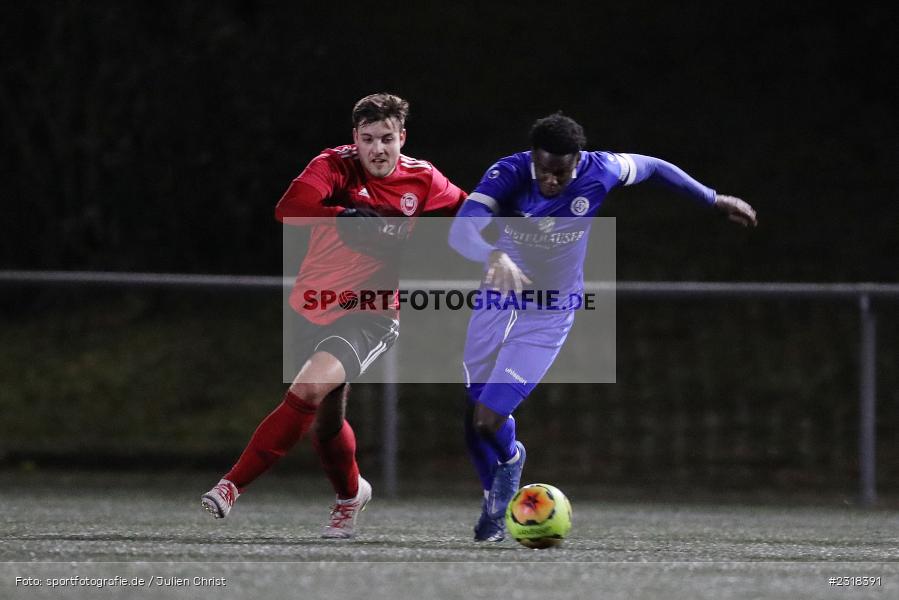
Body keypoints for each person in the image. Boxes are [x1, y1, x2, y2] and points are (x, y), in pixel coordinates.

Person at [448, 113, 757, 542]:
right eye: (544, 171)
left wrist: (710, 198)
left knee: (488, 418)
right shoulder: (509, 172)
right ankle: (495, 493)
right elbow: (460, 231)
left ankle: (512, 462)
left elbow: (653, 167)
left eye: (561, 173)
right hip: (498, 299)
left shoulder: (602, 169)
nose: (552, 181)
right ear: (533, 159)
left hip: (550, 312)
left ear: (577, 161)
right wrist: (491, 256)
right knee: (474, 411)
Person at [202, 93, 466, 538]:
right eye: (368, 139)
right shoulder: (332, 165)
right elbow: (287, 209)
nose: (378, 149)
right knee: (326, 424)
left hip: (371, 311)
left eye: (387, 139)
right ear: (355, 139)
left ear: (403, 137)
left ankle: (231, 486)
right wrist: (343, 213)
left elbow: (472, 211)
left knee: (306, 388)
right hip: (315, 302)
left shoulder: (423, 179)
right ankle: (351, 494)